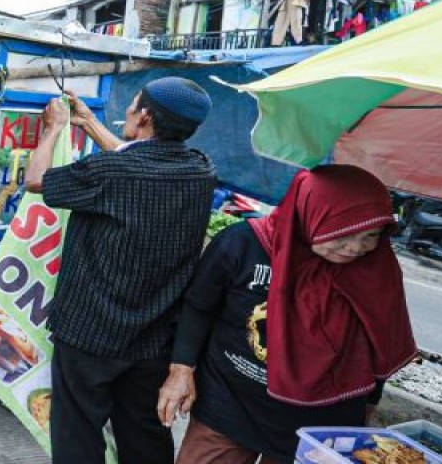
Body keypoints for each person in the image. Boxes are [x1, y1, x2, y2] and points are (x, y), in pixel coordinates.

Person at [158, 165, 416, 463]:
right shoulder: (243, 244)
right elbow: (198, 307)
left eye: (370, 235)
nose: (356, 248)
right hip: (230, 402)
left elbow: (378, 340)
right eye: (343, 234)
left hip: (318, 421)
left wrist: (368, 404)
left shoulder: (373, 270)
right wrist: (180, 371)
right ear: (310, 215)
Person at [24, 77, 217, 464]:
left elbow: (35, 180)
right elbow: (137, 162)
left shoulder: (110, 172)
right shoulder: (200, 171)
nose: (127, 112)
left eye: (133, 105)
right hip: (152, 338)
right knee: (144, 438)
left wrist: (54, 128)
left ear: (144, 115)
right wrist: (90, 124)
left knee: (77, 435)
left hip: (88, 337)